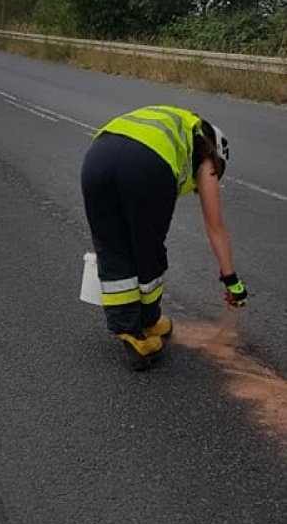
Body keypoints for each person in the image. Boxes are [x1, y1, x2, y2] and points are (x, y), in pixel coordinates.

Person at [80, 104, 247, 370]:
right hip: (146, 166)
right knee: (147, 248)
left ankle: (127, 329)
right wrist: (232, 280)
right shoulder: (206, 153)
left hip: (96, 159)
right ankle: (146, 324)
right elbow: (214, 225)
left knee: (112, 246)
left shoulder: (174, 120)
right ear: (216, 152)